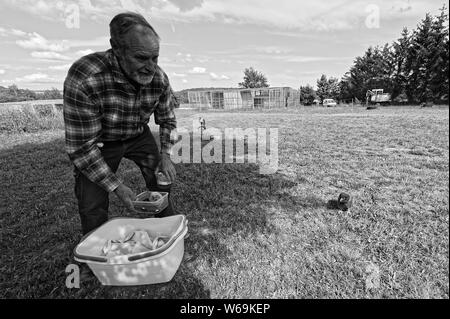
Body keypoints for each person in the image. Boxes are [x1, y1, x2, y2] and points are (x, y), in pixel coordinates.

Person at [63, 12, 178, 237]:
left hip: (137, 133)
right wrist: (116, 186)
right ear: (116, 49)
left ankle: (167, 227)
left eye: (155, 58)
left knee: (160, 177)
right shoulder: (86, 77)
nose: (150, 67)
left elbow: (167, 119)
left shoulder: (159, 79)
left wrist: (166, 155)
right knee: (92, 201)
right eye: (141, 58)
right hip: (99, 143)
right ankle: (94, 251)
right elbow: (81, 147)